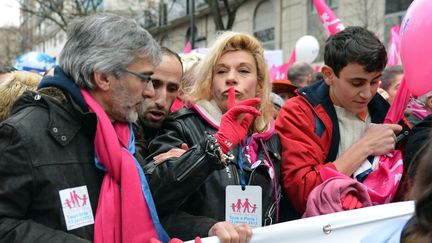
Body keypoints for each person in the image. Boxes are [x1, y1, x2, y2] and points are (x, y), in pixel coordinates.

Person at [0, 14, 170, 242]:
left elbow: (150, 212)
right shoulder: (22, 134)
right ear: (103, 78)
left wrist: (209, 228)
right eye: (145, 78)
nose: (150, 91)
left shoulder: (121, 138)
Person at [145, 32, 283, 242]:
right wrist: (208, 228)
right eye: (221, 71)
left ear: (261, 84)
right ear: (210, 82)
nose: (231, 78)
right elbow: (154, 200)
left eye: (244, 71)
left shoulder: (271, 138)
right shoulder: (181, 126)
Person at [276, 26, 403, 215]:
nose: (367, 93)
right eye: (357, 83)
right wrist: (365, 146)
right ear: (328, 75)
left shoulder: (388, 113)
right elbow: (302, 192)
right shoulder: (300, 112)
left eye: (375, 81)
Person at [134, 47, 184, 162]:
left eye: (172, 89)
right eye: (154, 84)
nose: (161, 101)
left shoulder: (184, 133)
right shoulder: (111, 131)